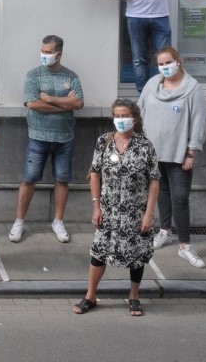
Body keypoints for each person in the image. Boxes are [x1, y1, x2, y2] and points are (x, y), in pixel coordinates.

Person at [73, 99, 159, 317]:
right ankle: (90, 296)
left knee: (136, 254)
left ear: (134, 118)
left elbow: (154, 180)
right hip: (108, 210)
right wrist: (96, 206)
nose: (121, 120)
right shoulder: (104, 141)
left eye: (125, 116)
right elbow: (94, 172)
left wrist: (148, 214)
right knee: (99, 252)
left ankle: (134, 297)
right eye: (117, 116)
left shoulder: (145, 146)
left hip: (135, 212)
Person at [9, 35, 84, 244]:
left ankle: (58, 221)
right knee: (29, 178)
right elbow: (32, 104)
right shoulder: (33, 75)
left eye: (48, 52)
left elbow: (78, 103)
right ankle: (19, 221)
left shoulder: (71, 76)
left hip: (65, 137)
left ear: (58, 54)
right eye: (42, 51)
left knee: (62, 179)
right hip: (37, 137)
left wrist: (50, 99)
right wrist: (64, 104)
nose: (44, 55)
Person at [139, 46, 206, 269]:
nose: (164, 67)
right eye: (160, 64)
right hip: (154, 153)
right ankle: (164, 231)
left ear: (178, 61)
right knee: (161, 194)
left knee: (180, 198)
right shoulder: (152, 85)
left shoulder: (192, 88)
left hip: (180, 155)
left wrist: (192, 152)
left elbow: (199, 120)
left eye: (168, 62)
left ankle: (185, 246)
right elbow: (139, 111)